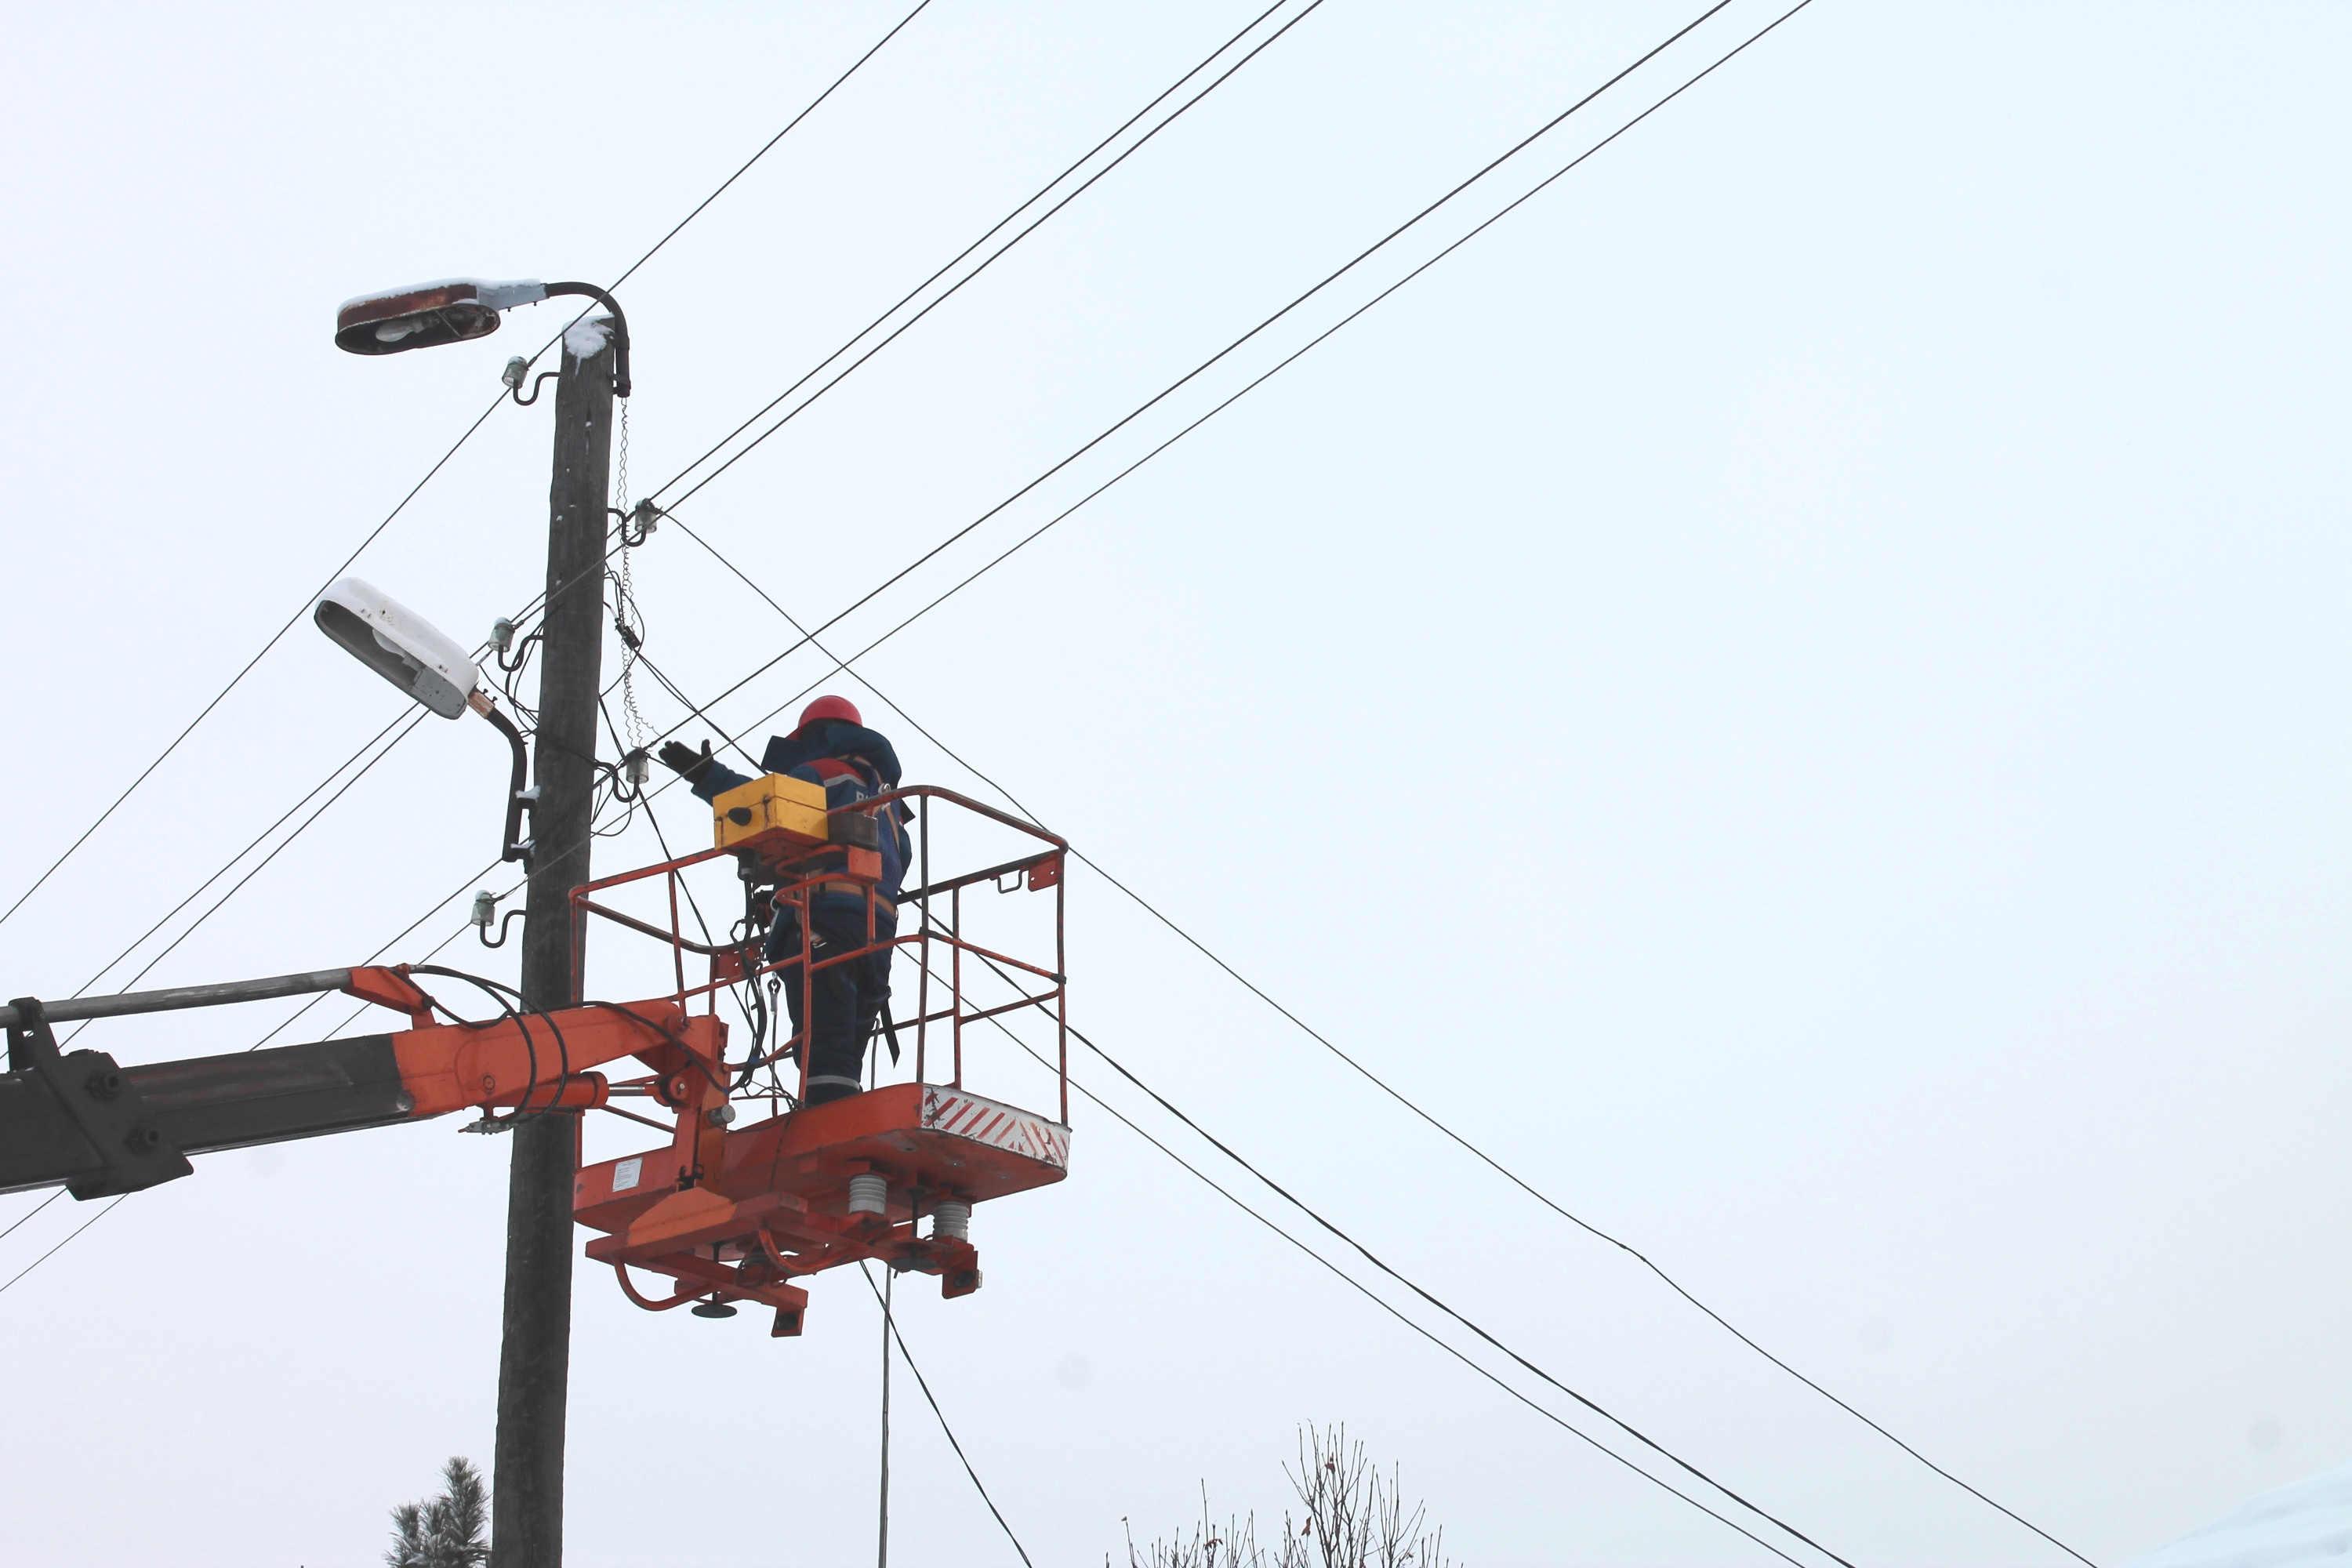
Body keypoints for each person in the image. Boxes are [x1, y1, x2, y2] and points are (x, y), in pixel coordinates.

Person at [659, 696, 911, 1105]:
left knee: (822, 1031)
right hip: (878, 928)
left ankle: (825, 1121)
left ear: (816, 737)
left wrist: (706, 776)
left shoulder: (823, 771)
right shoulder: (890, 805)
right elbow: (891, 861)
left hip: (822, 919)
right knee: (850, 1031)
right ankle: (844, 1108)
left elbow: (765, 807)